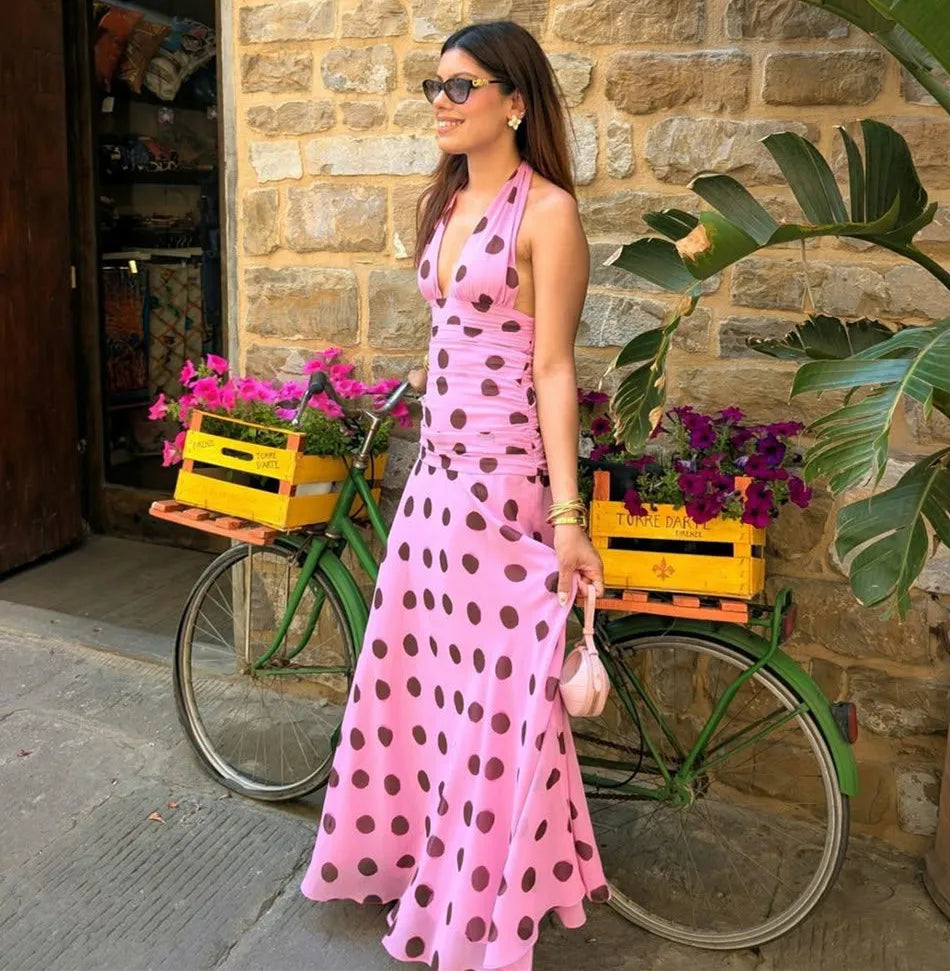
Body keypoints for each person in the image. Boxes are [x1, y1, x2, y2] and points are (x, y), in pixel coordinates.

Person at [301, 20, 609, 971]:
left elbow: (552, 368)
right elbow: (452, 342)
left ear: (513, 102)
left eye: (460, 86)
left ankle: (482, 907)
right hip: (434, 488)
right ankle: (425, 867)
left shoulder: (547, 214)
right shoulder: (442, 205)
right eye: (432, 85)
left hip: (503, 493)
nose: (440, 101)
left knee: (500, 707)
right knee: (422, 692)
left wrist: (566, 519)